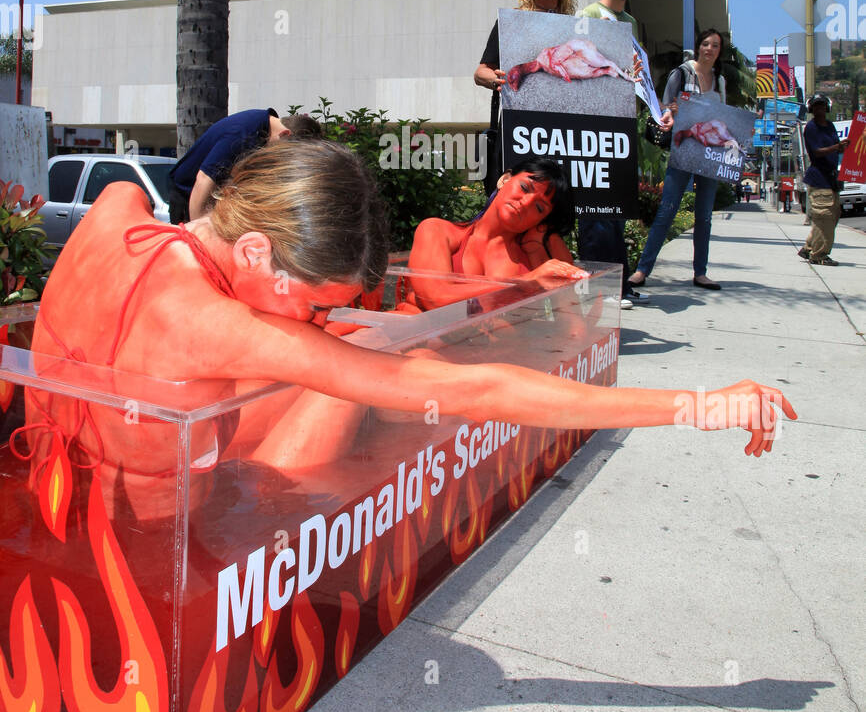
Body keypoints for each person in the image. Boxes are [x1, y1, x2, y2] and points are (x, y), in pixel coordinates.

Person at [19, 143, 790, 532]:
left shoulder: (116, 205)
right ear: (257, 252)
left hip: (58, 482)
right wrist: (698, 404)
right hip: (167, 533)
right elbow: (473, 388)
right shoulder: (222, 328)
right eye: (312, 305)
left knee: (353, 345)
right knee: (389, 359)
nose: (312, 321)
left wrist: (316, 321)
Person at [578, 0, 673, 309]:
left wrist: (657, 112)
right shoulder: (590, 15)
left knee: (615, 207)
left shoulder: (629, 20)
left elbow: (639, 78)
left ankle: (620, 285)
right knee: (594, 209)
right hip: (595, 121)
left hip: (621, 122)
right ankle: (600, 289)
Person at [405, 160, 585, 309]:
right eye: (524, 187)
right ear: (504, 180)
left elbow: (572, 330)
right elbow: (436, 298)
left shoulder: (535, 253)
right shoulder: (437, 231)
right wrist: (524, 281)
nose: (526, 202)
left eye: (539, 207)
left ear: (542, 220)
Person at [474, 0, 577, 196]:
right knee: (514, 206)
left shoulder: (575, 27)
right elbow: (481, 71)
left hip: (561, 135)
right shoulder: (512, 22)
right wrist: (495, 78)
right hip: (519, 134)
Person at [630, 28, 727, 293]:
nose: (709, 49)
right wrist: (673, 111)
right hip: (684, 148)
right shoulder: (681, 73)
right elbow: (664, 107)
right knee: (667, 210)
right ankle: (642, 269)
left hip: (709, 152)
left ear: (720, 51)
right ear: (698, 47)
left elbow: (722, 114)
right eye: (706, 44)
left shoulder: (719, 79)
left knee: (705, 216)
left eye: (715, 45)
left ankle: (701, 272)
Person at [167, 108, 321, 223]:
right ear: (285, 134)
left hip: (213, 202)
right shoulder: (243, 131)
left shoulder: (263, 128)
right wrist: (197, 231)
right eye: (287, 151)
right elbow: (204, 179)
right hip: (188, 197)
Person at [798, 94, 848, 266]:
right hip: (819, 178)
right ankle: (819, 255)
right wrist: (836, 147)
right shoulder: (811, 128)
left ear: (827, 108)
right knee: (824, 217)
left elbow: (835, 149)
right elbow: (816, 152)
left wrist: (843, 147)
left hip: (831, 178)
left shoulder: (830, 126)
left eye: (822, 106)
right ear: (811, 109)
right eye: (816, 106)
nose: (819, 109)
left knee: (832, 216)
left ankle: (809, 247)